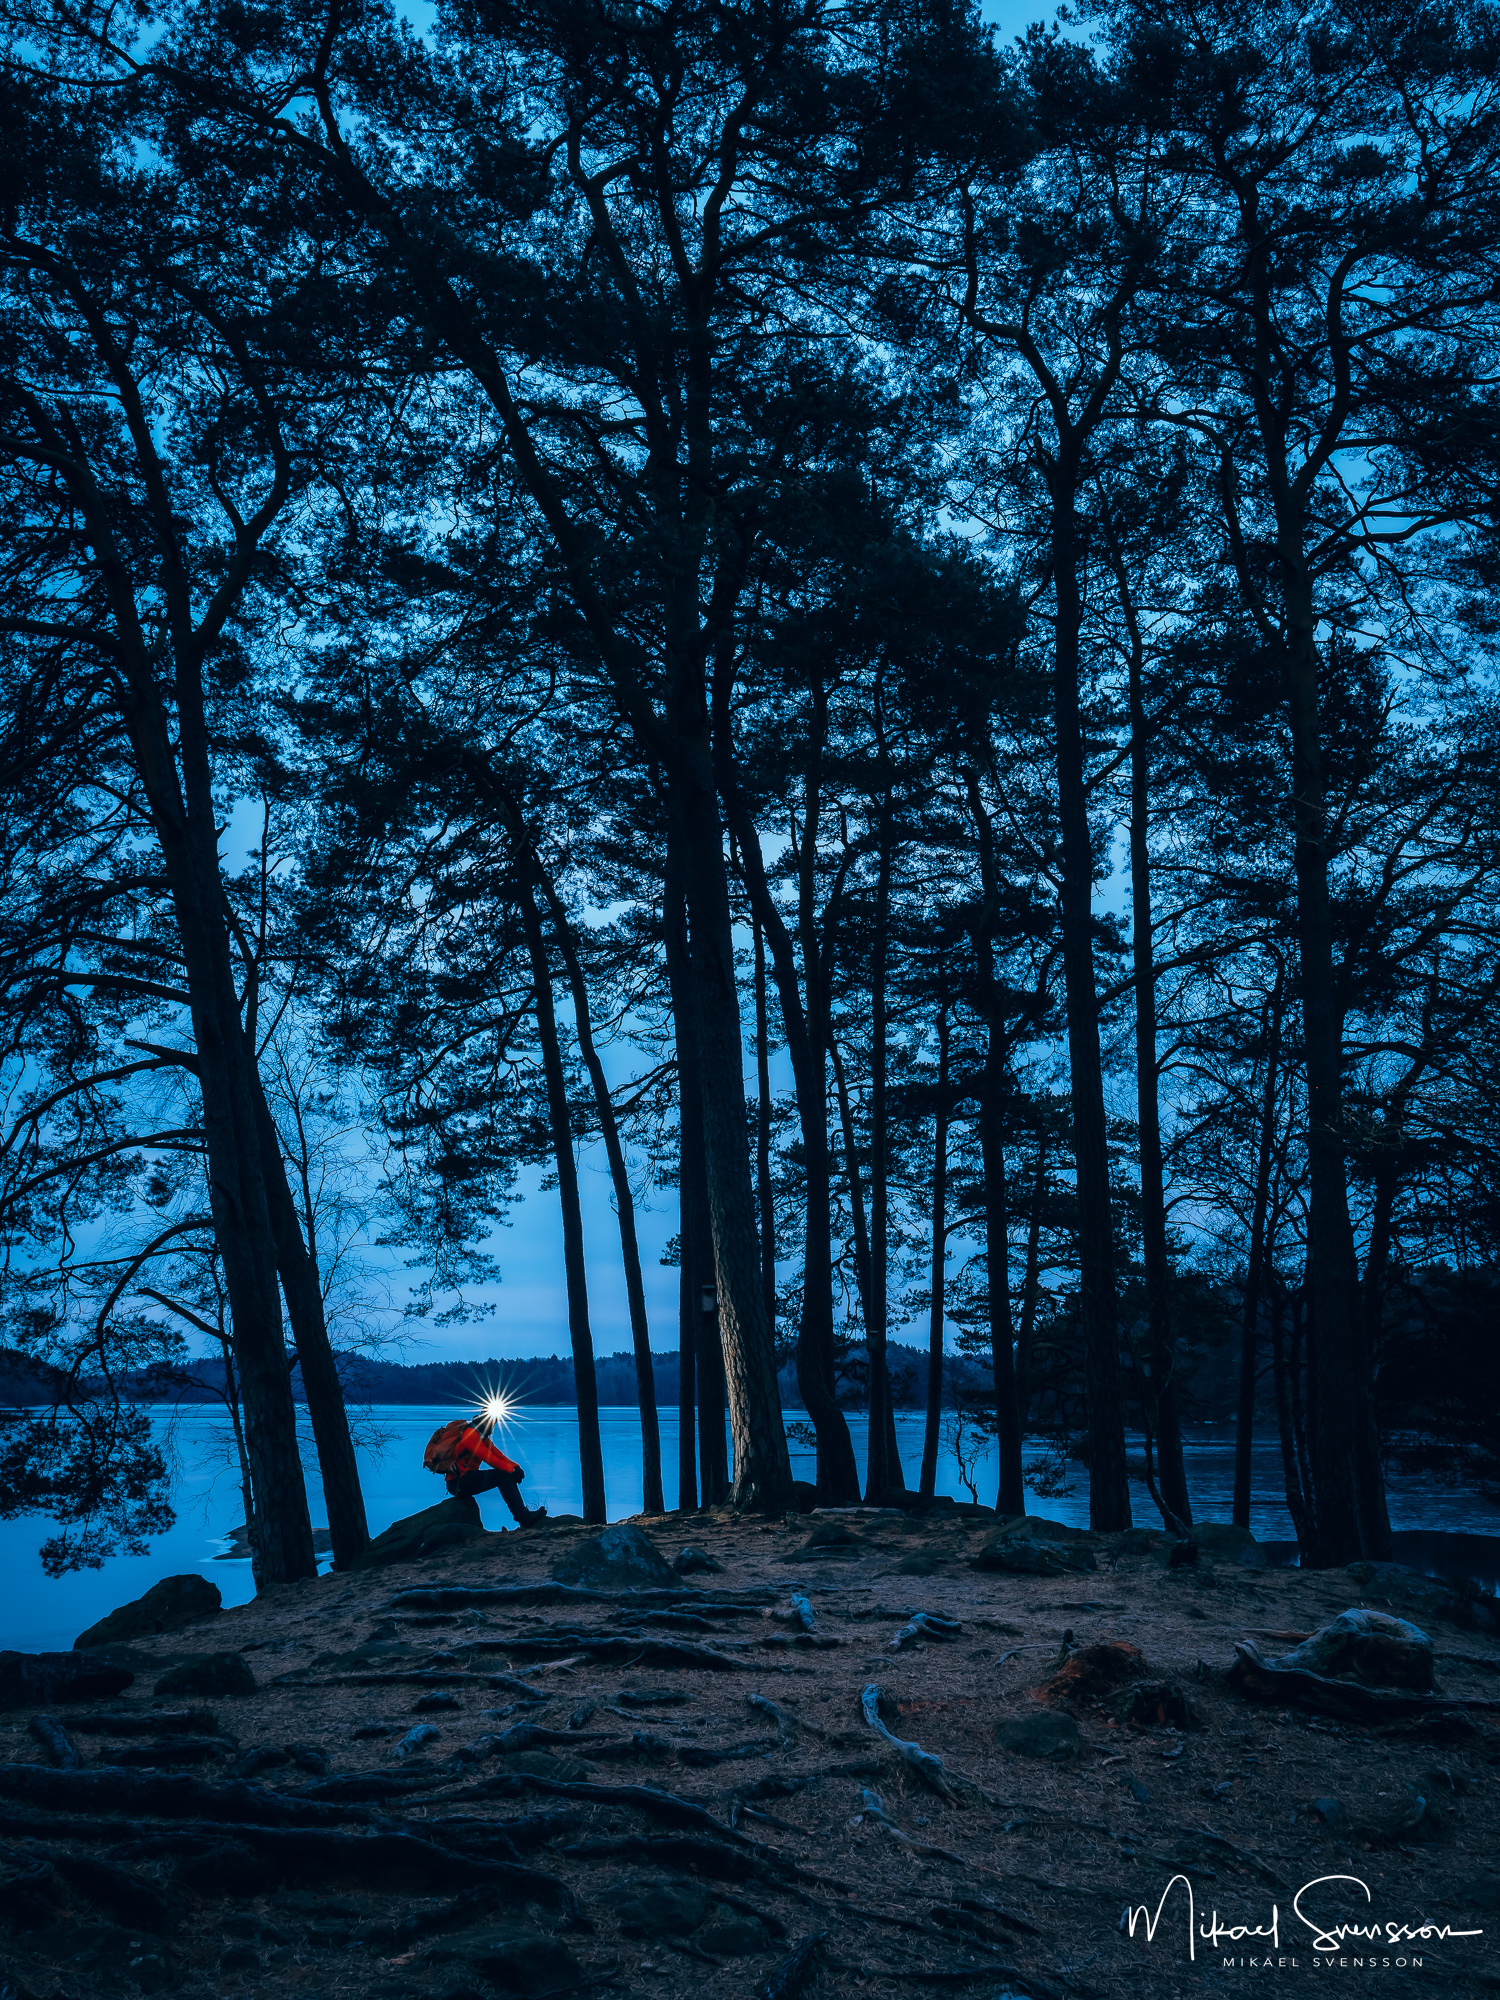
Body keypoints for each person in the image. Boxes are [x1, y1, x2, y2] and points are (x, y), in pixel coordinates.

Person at [443, 1415, 547, 1527]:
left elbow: (498, 1455)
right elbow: (489, 1458)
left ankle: (523, 1516)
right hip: (457, 1483)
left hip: (467, 1478)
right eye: (491, 1423)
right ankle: (523, 1518)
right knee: (502, 1476)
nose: (492, 1427)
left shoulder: (482, 1438)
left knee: (504, 1474)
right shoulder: (470, 1435)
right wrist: (510, 1470)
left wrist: (516, 1467)